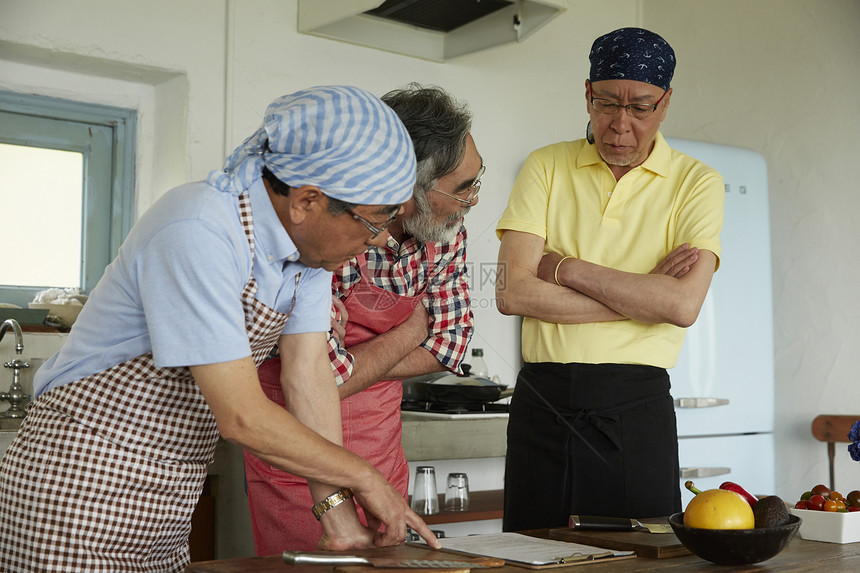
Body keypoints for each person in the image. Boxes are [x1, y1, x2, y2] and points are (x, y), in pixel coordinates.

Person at [0, 85, 440, 572]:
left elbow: (309, 378)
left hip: (166, 504)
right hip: (75, 489)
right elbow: (242, 416)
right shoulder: (198, 227)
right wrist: (364, 477)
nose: (376, 242)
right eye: (372, 221)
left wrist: (336, 515)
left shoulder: (309, 257)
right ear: (307, 201)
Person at [495, 27, 725, 531]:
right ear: (586, 94)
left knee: (639, 562)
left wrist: (564, 268)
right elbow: (512, 292)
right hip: (542, 401)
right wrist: (645, 297)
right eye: (605, 103)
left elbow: (683, 307)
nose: (620, 125)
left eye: (641, 107)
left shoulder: (698, 183)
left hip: (634, 404)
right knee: (529, 555)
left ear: (665, 103)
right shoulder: (545, 165)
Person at [244, 84, 481, 553]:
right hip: (297, 457)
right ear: (408, 187)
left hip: (383, 451)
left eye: (477, 180)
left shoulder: (443, 232)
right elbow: (317, 379)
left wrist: (356, 366)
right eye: (462, 188)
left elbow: (452, 344)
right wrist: (413, 330)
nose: (473, 199)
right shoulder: (324, 235)